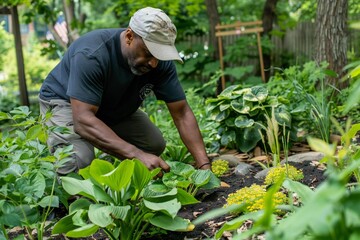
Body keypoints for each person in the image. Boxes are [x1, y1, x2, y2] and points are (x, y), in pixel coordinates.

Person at [38, 6, 211, 175]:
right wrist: (136, 155)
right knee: (78, 162)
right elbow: (83, 120)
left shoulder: (159, 61)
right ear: (129, 36)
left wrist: (204, 167)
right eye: (149, 53)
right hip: (66, 101)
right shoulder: (91, 54)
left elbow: (181, 113)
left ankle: (110, 170)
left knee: (153, 144)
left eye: (160, 55)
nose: (154, 63)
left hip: (110, 104)